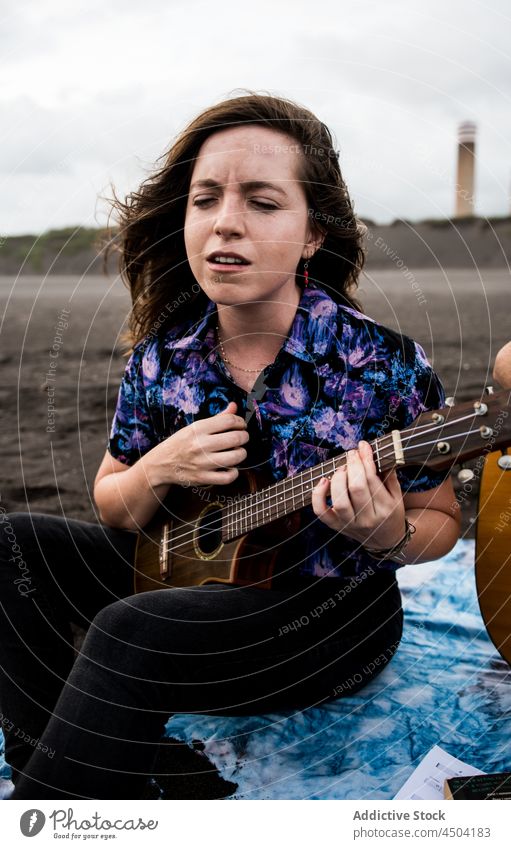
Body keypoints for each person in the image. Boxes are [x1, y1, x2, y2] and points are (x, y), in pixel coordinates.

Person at [0, 91, 460, 800]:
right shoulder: (163, 358)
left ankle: (57, 811)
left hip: (322, 620)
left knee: (131, 631)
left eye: (262, 202)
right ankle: (54, 764)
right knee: (11, 542)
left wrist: (389, 531)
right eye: (205, 198)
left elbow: (441, 523)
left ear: (314, 234)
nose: (225, 222)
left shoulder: (380, 363)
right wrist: (158, 467)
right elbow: (113, 503)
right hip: (182, 579)